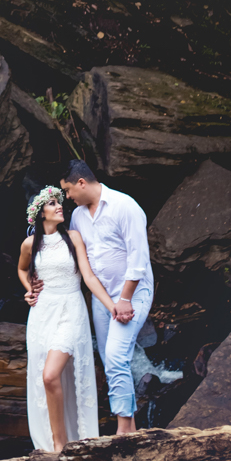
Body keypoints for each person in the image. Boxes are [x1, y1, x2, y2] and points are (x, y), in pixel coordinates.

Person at [17, 184, 118, 453]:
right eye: (51, 203)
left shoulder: (72, 237)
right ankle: (55, 444)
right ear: (40, 213)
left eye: (58, 201)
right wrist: (29, 290)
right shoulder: (30, 243)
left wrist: (112, 306)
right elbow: (21, 268)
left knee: (51, 376)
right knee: (44, 378)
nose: (59, 206)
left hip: (71, 310)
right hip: (42, 313)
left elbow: (88, 277)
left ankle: (62, 443)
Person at [60, 159, 155, 437]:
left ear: (81, 182)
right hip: (101, 297)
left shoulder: (125, 207)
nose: (67, 197)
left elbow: (139, 257)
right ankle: (132, 427)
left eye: (67, 190)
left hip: (133, 293)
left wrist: (124, 299)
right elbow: (80, 260)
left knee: (115, 356)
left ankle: (123, 429)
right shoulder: (78, 216)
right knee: (110, 358)